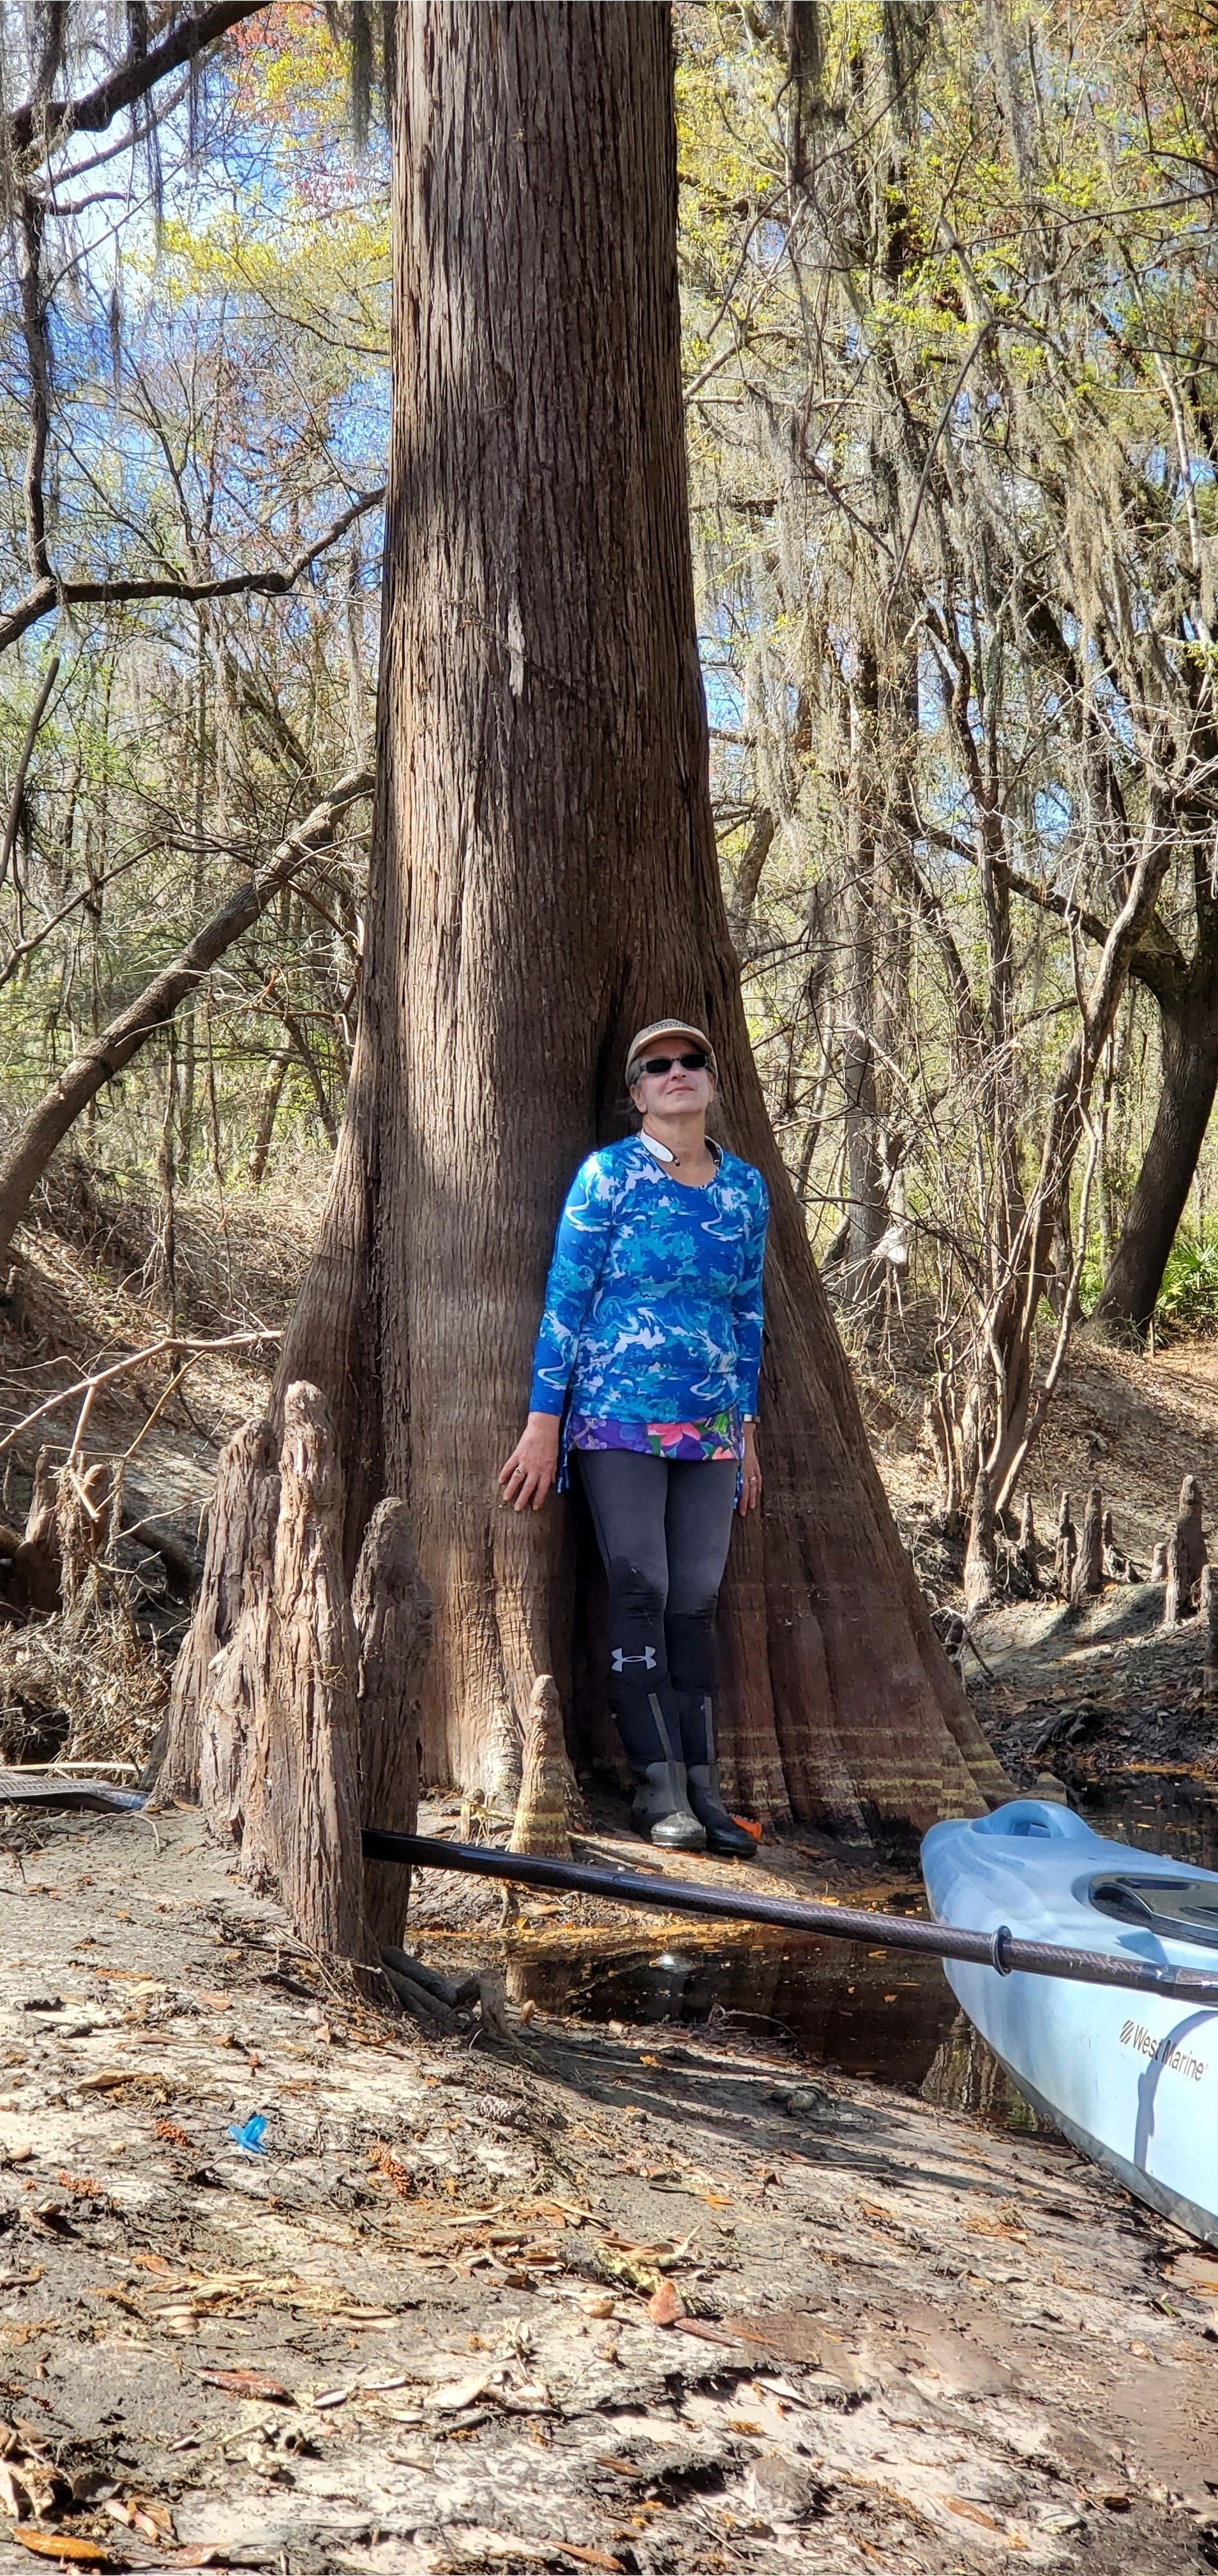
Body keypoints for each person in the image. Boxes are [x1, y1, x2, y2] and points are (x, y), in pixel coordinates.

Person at [499, 1018, 769, 1858]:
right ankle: (658, 1789)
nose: (678, 1072)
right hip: (616, 1416)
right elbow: (566, 1301)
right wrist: (544, 1425)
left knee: (696, 1598)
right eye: (660, 1066)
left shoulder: (745, 1189)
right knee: (642, 1589)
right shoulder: (606, 1177)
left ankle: (704, 1786)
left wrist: (747, 1432)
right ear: (638, 1092)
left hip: (715, 1430)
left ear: (712, 1080)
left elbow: (749, 1310)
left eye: (693, 1060)